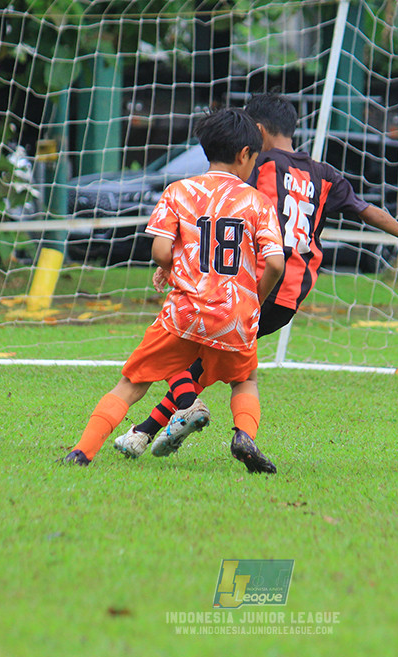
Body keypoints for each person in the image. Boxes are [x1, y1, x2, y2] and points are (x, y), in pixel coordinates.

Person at [113, 92, 398, 460]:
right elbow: (367, 211)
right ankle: (146, 432)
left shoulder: (256, 165)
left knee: (184, 352)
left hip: (246, 285)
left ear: (253, 133)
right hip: (287, 299)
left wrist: (171, 257)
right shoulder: (324, 175)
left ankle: (159, 426)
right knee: (206, 364)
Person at [60, 107, 286, 473]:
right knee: (244, 380)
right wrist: (254, 301)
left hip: (184, 311)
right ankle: (244, 435)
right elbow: (275, 263)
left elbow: (161, 250)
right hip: (236, 317)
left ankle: (82, 451)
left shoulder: (178, 191)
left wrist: (167, 267)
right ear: (245, 155)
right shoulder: (258, 202)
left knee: (132, 383)